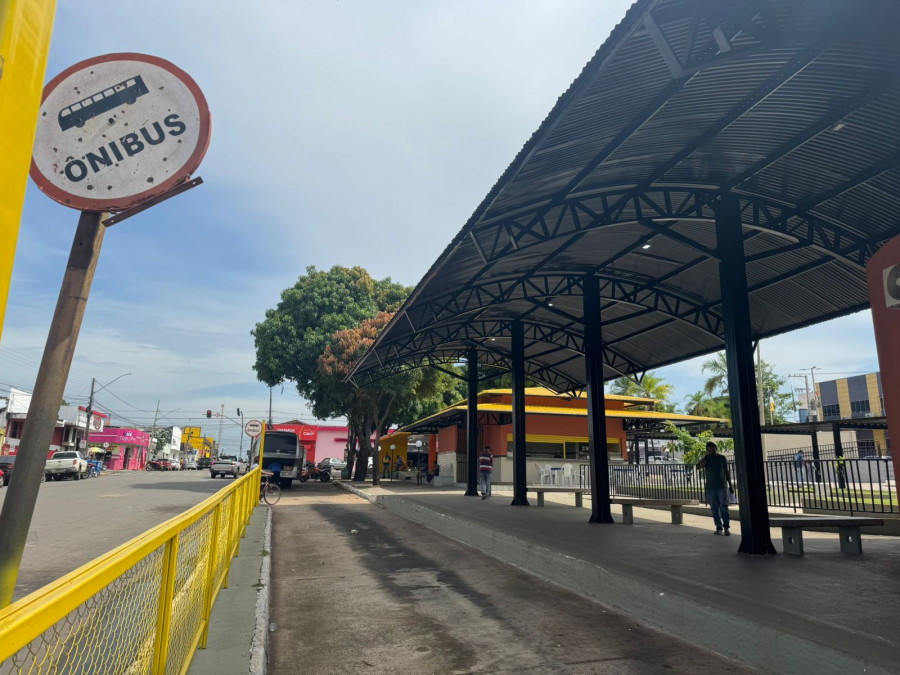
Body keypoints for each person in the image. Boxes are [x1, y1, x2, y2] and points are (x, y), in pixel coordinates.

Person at [697, 441, 733, 535]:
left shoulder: (722, 458)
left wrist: (730, 485)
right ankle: (719, 527)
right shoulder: (706, 458)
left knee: (723, 507)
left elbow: (726, 471)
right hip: (710, 487)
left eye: (712, 450)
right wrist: (701, 464)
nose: (710, 452)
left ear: (715, 449)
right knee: (714, 508)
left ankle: (726, 528)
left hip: (721, 486)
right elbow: (698, 467)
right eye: (708, 451)